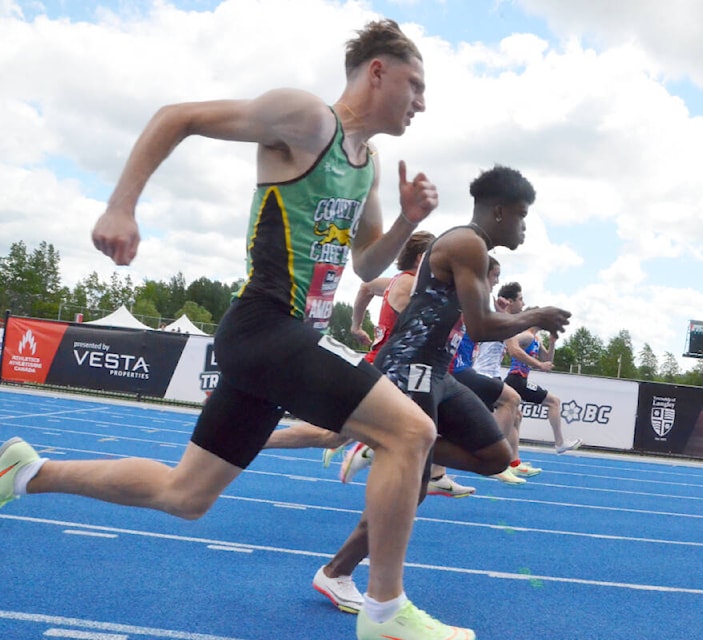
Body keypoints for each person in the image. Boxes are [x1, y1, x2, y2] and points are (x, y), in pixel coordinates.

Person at [0, 19, 472, 640]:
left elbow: (366, 264)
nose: (422, 102)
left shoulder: (369, 164)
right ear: (377, 71)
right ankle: (385, 614)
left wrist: (406, 221)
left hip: (283, 342)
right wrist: (121, 204)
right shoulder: (306, 120)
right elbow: (177, 116)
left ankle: (28, 472)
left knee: (186, 495)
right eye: (415, 84)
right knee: (412, 432)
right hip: (265, 323)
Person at [314, 165, 571, 615]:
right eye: (522, 216)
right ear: (499, 211)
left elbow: (480, 323)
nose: (525, 227)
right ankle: (337, 572)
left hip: (438, 372)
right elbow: (483, 326)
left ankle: (402, 449)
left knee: (495, 457)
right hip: (410, 368)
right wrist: (537, 316)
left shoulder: (473, 250)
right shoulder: (466, 243)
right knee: (409, 491)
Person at [264, 231, 475, 498]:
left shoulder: (395, 282)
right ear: (424, 258)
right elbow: (426, 319)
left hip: (391, 366)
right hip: (391, 370)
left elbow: (365, 286)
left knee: (335, 435)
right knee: (415, 422)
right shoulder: (409, 285)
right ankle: (372, 448)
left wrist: (355, 324)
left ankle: (432, 473)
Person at [450, 258, 537, 485]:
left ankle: (507, 461)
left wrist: (500, 316)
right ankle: (496, 461)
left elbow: (482, 333)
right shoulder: (471, 298)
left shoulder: (481, 303)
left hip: (466, 367)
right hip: (466, 369)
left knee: (512, 411)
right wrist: (539, 365)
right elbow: (513, 349)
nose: (497, 281)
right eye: (494, 276)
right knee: (510, 402)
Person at [502, 282, 583, 454]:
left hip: (519, 380)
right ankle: (559, 442)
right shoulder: (526, 336)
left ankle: (511, 458)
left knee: (515, 417)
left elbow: (548, 360)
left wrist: (552, 343)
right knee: (553, 401)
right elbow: (513, 346)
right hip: (516, 379)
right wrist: (538, 364)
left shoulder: (536, 339)